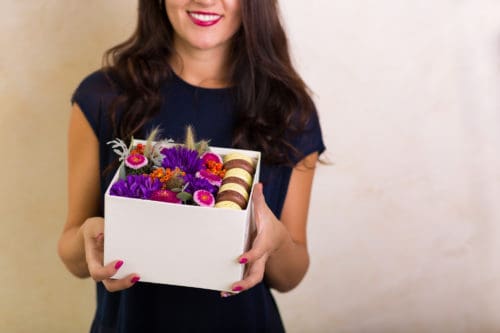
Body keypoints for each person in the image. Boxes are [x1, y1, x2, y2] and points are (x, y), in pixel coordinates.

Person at [58, 0, 325, 332]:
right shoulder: (102, 97)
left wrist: (275, 239)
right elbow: (72, 252)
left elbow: (290, 277)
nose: (206, 0)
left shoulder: (290, 113)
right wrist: (89, 236)